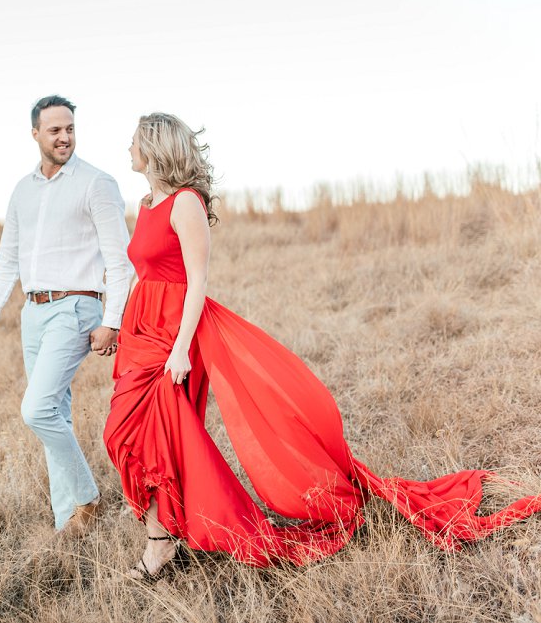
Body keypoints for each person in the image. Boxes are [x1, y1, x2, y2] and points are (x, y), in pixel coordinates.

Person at [103, 112, 541, 579]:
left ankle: (161, 546)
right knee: (138, 439)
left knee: (144, 439)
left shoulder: (185, 203)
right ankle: (169, 537)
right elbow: (141, 272)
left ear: (153, 146)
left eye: (133, 140)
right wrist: (119, 325)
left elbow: (198, 281)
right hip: (140, 328)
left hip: (172, 334)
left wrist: (179, 348)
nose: (127, 147)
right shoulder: (148, 201)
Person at [0, 95, 133, 536]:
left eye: (70, 129)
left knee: (37, 409)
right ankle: (68, 524)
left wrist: (112, 321)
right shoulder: (23, 190)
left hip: (77, 307)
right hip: (33, 312)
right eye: (55, 130)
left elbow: (121, 262)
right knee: (54, 414)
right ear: (36, 134)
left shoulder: (96, 184)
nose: (64, 137)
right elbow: (7, 257)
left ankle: (87, 498)